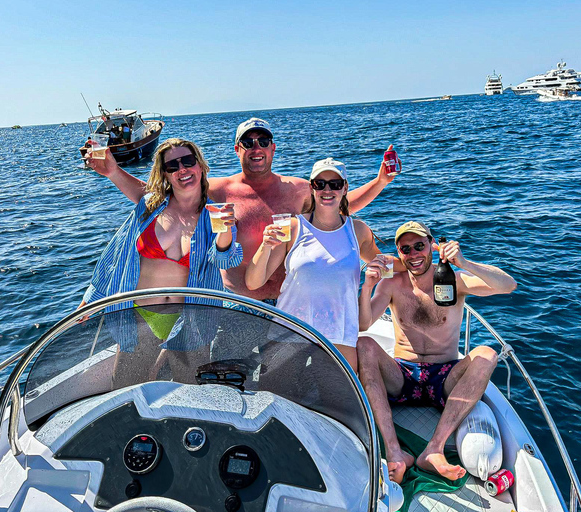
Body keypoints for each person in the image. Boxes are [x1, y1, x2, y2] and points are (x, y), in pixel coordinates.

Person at [88, 117, 395, 305]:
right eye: (247, 142)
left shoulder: (299, 189)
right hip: (239, 304)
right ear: (237, 150)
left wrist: (381, 181)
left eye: (263, 140)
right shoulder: (219, 191)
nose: (256, 146)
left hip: (293, 304)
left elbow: (339, 204)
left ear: (273, 148)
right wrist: (115, 172)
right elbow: (157, 199)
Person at [357, 221, 517, 483]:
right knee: (364, 344)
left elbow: (508, 285)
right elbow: (364, 324)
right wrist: (367, 286)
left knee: (487, 354)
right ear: (399, 254)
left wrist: (464, 262)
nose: (414, 254)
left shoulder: (453, 280)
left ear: (432, 245)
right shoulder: (392, 283)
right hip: (402, 374)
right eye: (405, 249)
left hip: (445, 377)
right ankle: (394, 451)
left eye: (419, 246)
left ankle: (434, 449)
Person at [81, 138, 243, 384]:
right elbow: (115, 255)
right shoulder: (150, 206)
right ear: (165, 174)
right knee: (125, 385)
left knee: (188, 389)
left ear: (200, 166)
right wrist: (90, 299)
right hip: (141, 316)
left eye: (188, 161)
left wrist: (225, 232)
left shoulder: (217, 216)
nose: (182, 170)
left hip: (190, 319)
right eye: (172, 166)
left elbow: (225, 260)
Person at [245, 158, 386, 369]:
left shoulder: (358, 231)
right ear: (312, 188)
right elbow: (253, 283)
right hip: (290, 333)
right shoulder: (293, 228)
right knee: (281, 398)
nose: (327, 190)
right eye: (320, 184)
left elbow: (386, 264)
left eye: (335, 184)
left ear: (345, 188)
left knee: (337, 399)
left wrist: (421, 256)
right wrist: (265, 246)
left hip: (339, 335)